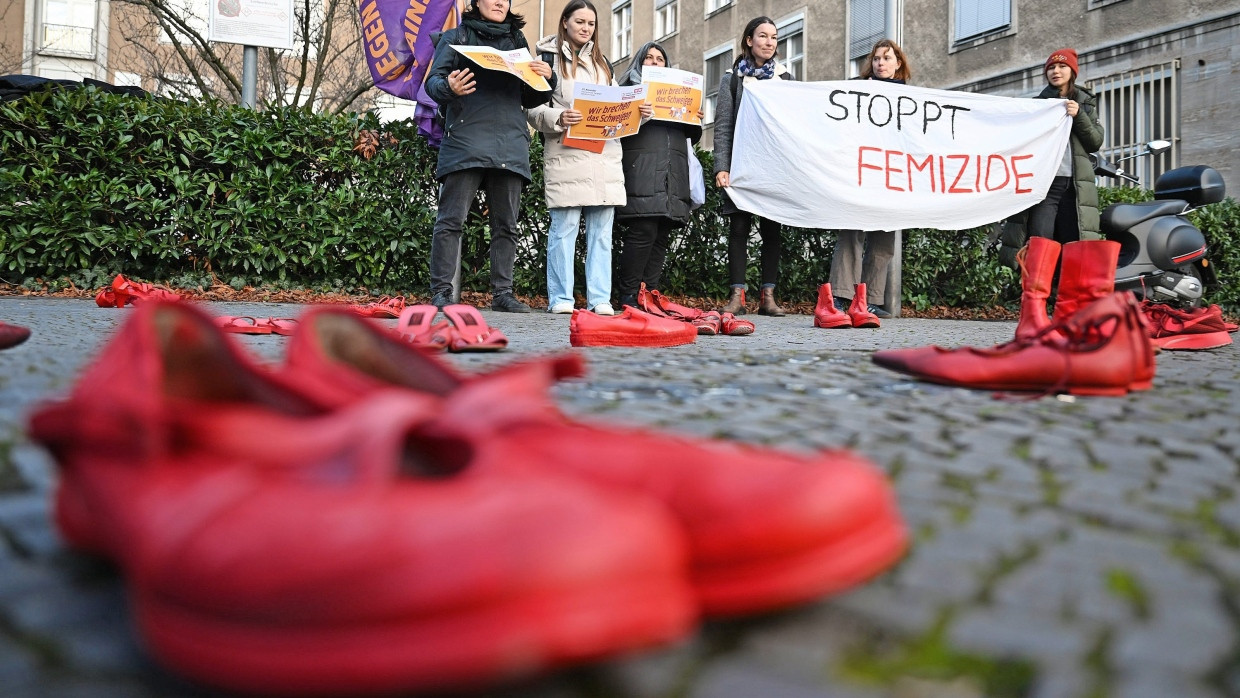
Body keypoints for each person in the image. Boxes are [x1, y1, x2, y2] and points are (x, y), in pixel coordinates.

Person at [424, 0, 554, 312]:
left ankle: (503, 295)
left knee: (506, 225)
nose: (500, 2)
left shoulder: (517, 41)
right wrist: (449, 86)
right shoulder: (456, 37)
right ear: (476, 2)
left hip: (510, 141)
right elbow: (432, 83)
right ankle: (442, 293)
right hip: (466, 139)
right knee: (450, 221)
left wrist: (547, 78)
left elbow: (532, 96)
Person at [999, 48, 1110, 340]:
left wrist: (1077, 116)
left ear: (1073, 71)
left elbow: (1095, 141)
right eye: (1051, 68)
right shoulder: (1038, 105)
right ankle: (1032, 316)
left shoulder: (1084, 102)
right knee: (1040, 246)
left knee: (1075, 251)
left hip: (1075, 188)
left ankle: (1069, 318)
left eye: (1061, 67)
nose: (1055, 72)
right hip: (1045, 187)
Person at [527, 0, 628, 315]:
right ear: (565, 23)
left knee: (601, 234)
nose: (586, 28)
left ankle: (600, 299)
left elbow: (616, 109)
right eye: (580, 22)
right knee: (564, 229)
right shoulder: (547, 62)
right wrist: (559, 117)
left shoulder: (604, 65)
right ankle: (561, 299)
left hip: (604, 159)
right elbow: (531, 110)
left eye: (592, 24)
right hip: (567, 156)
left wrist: (639, 113)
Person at [827, 39, 913, 324]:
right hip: (860, 172)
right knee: (851, 232)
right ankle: (841, 296)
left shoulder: (911, 99)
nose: (880, 63)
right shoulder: (856, 90)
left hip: (891, 176)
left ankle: (871, 300)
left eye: (887, 58)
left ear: (898, 63)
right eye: (876, 58)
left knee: (883, 238)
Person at [614, 42, 703, 309]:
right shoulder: (627, 91)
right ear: (639, 63)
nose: (654, 62)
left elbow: (691, 137)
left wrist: (695, 117)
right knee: (643, 229)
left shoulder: (679, 93)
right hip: (641, 169)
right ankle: (628, 293)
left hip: (673, 172)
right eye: (649, 58)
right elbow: (616, 127)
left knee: (662, 232)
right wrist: (636, 112)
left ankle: (650, 292)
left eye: (660, 59)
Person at [713, 16, 791, 316]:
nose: (769, 42)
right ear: (749, 40)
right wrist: (722, 165)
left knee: (772, 230)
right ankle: (737, 296)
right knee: (739, 229)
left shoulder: (785, 80)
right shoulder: (732, 79)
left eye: (774, 37)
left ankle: (768, 297)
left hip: (772, 167)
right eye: (763, 36)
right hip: (740, 167)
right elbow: (722, 127)